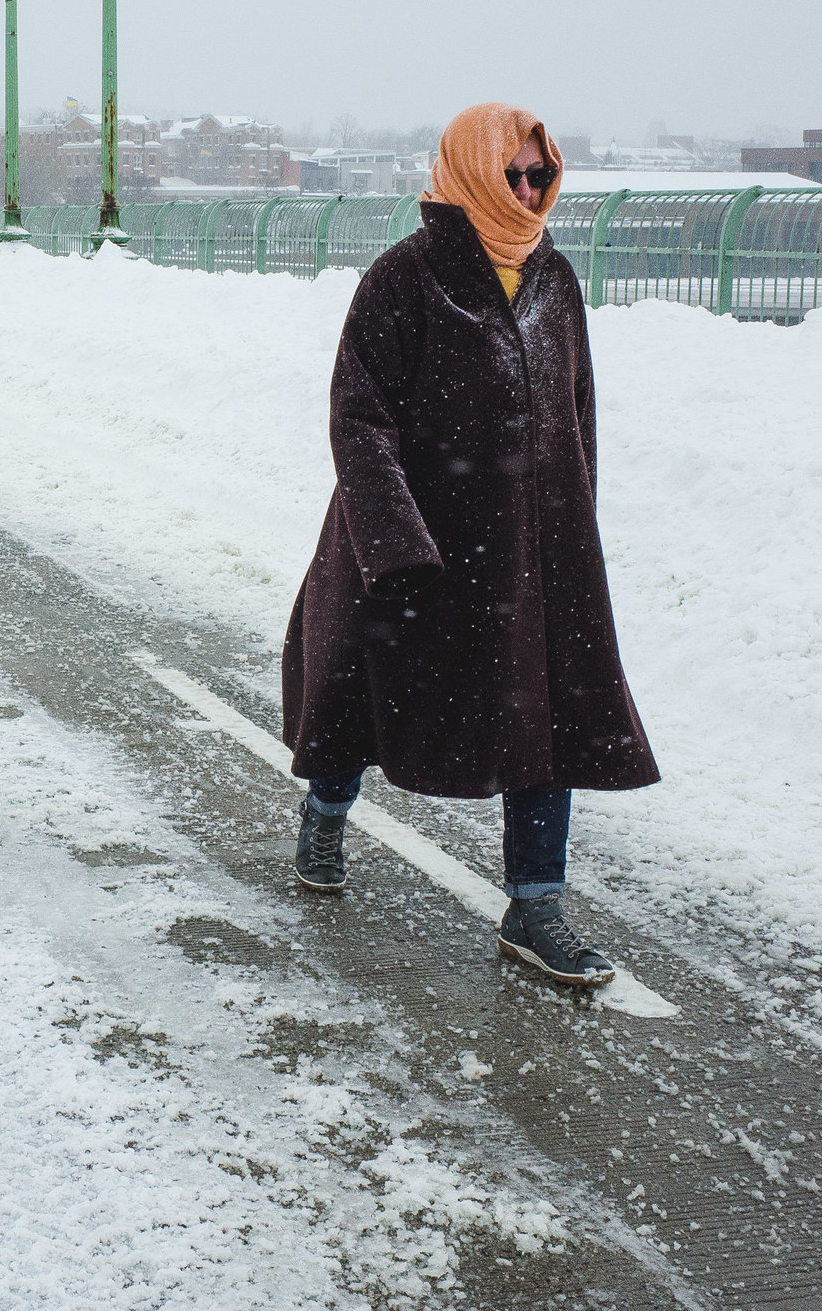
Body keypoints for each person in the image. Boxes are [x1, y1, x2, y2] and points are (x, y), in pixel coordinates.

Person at [281, 103, 657, 989]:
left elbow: (578, 417)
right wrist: (397, 544)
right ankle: (326, 810)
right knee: (360, 702)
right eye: (514, 176)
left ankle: (536, 906)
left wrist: (573, 529)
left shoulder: (555, 281)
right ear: (472, 175)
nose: (530, 193)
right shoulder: (404, 280)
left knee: (544, 721)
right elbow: (358, 421)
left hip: (529, 558)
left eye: (542, 176)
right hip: (417, 550)